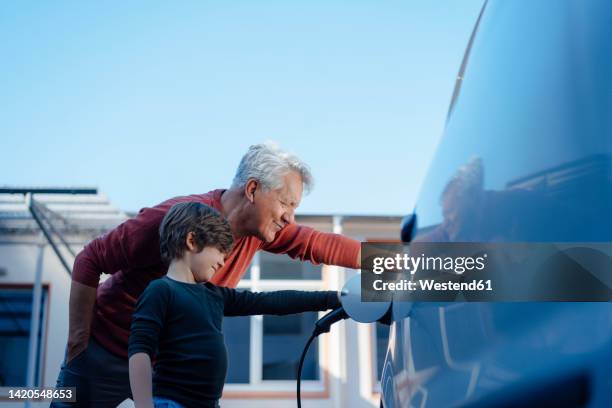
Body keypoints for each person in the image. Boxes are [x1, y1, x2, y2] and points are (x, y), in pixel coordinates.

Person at [52, 142, 361, 407]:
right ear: (252, 189)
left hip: (169, 375)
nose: (289, 217)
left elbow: (317, 248)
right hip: (104, 352)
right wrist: (78, 341)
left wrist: (400, 267)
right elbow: (90, 259)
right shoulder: (174, 219)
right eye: (285, 203)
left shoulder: (261, 230)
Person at [129, 202, 341, 408]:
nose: (222, 261)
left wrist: (336, 299)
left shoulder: (214, 295)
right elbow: (140, 351)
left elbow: (271, 302)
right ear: (192, 241)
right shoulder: (161, 291)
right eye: (219, 251)